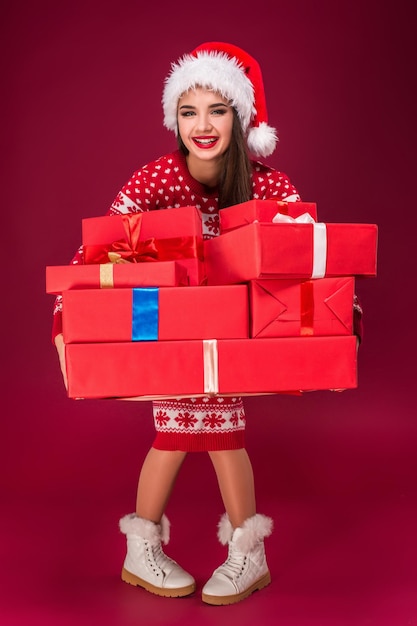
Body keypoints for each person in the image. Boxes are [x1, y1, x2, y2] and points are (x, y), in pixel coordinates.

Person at [52, 42, 362, 605]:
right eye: (189, 111)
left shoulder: (270, 185)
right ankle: (209, 550)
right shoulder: (153, 181)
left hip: (238, 340)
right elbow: (92, 254)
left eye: (217, 110)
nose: (203, 124)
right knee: (184, 432)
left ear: (239, 116)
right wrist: (62, 324)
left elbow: (314, 261)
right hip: (168, 333)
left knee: (214, 434)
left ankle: (228, 551)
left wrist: (342, 321)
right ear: (174, 117)